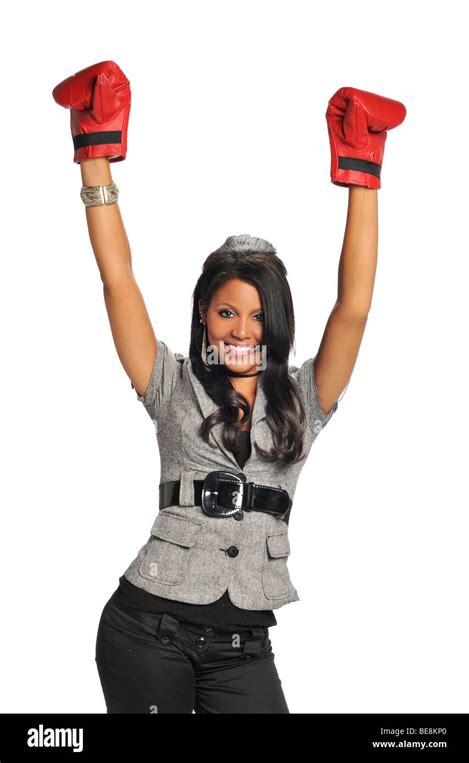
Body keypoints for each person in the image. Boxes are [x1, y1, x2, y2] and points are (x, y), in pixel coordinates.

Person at [52, 61, 406, 713]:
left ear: (277, 323)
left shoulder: (306, 398)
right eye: (226, 312)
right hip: (145, 631)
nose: (243, 329)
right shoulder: (169, 383)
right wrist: (94, 155)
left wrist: (364, 171)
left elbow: (353, 306)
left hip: (245, 646)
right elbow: (118, 279)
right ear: (203, 318)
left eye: (258, 314)